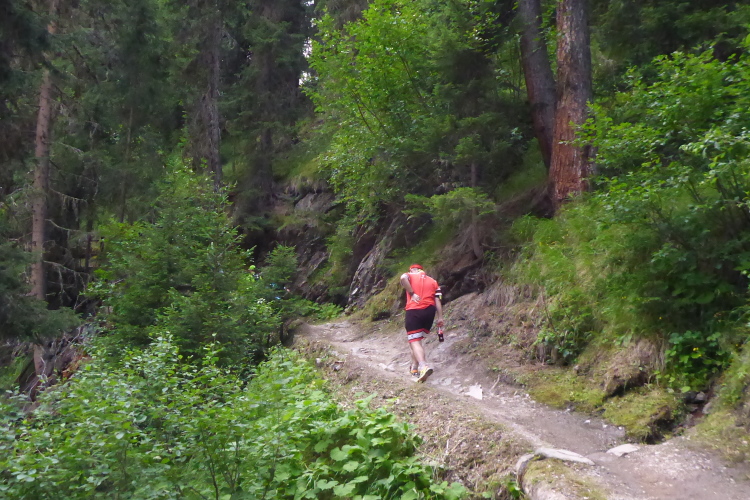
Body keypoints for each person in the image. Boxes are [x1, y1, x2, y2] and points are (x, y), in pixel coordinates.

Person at [400, 264, 443, 383]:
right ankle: (414, 367)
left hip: (414, 310)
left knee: (414, 341)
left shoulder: (410, 275)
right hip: (430, 312)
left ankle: (423, 366)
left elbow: (403, 278)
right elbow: (437, 300)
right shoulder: (433, 282)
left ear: (412, 270)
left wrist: (412, 293)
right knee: (416, 340)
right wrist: (440, 317)